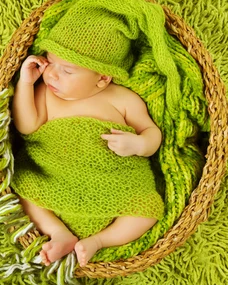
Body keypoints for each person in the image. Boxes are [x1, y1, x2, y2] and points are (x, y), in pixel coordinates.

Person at [11, 50, 164, 267]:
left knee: (148, 211)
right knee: (24, 189)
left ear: (102, 78)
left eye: (67, 70)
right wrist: (25, 84)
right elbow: (26, 126)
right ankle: (59, 233)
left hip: (115, 185)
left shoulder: (123, 99)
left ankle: (99, 241)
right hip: (55, 177)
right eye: (50, 62)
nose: (52, 74)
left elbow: (151, 132)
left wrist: (138, 144)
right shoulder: (45, 92)